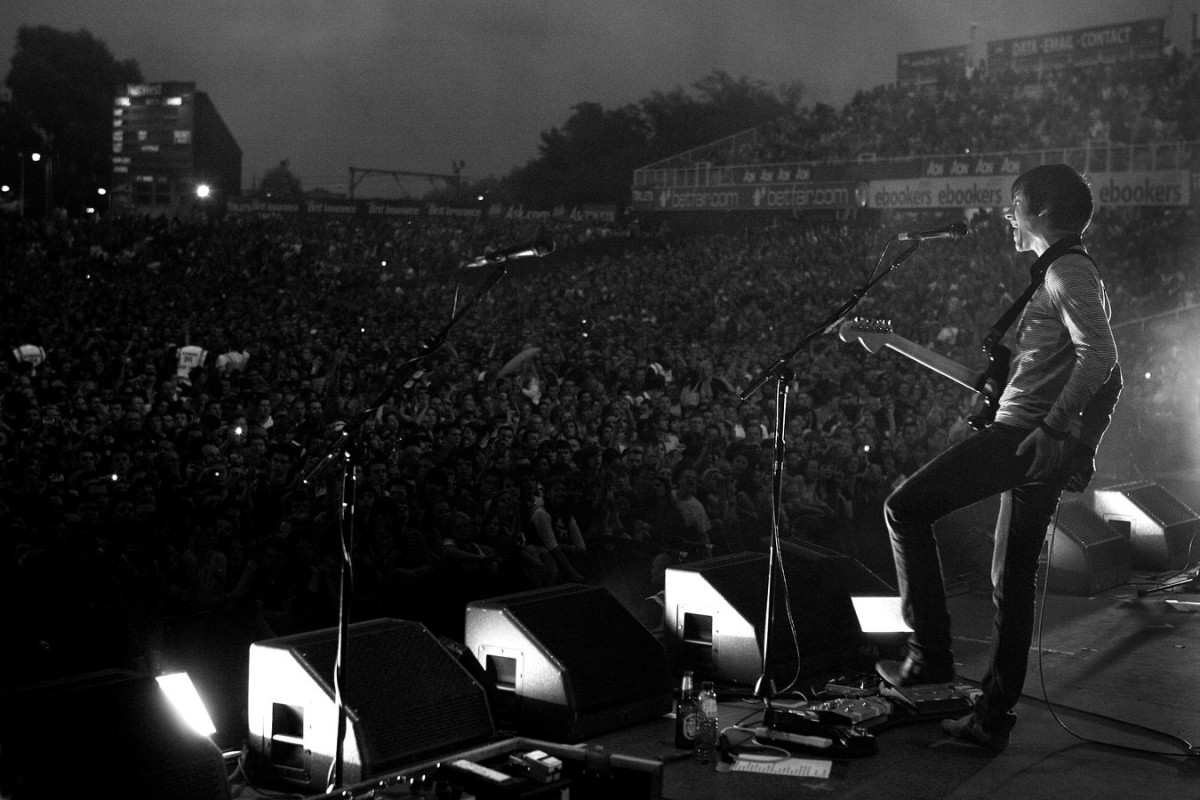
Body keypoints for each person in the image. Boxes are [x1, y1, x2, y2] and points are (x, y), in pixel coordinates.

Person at [875, 164, 1123, 752]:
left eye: (1015, 205)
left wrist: (1057, 429)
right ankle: (991, 715)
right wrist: (1078, 443)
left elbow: (1103, 359)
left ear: (1041, 210)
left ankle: (929, 657)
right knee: (1011, 580)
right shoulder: (1060, 273)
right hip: (1036, 441)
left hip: (1023, 437)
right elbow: (1099, 374)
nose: (1008, 216)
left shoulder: (1066, 272)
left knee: (904, 509)